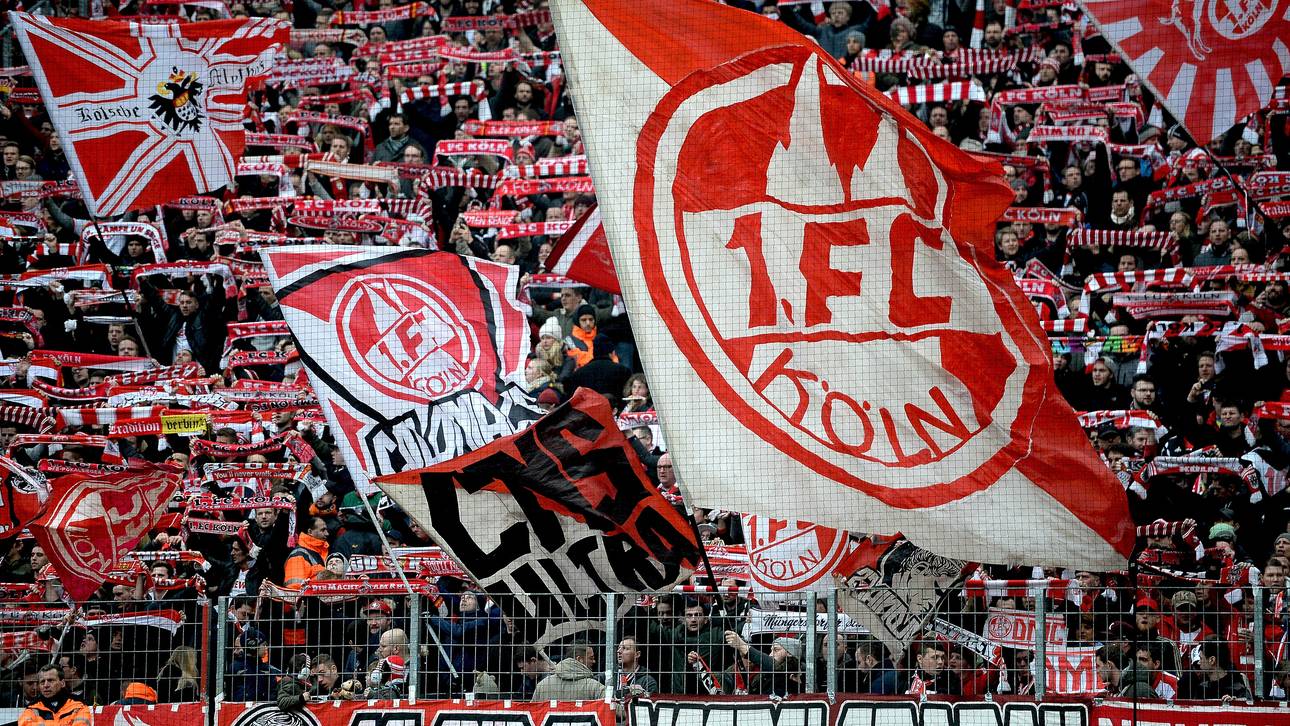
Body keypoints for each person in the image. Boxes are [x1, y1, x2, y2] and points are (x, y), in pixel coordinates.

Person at [18, 665, 90, 726]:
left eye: (50, 680)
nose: (46, 685)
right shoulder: (32, 709)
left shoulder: (79, 705)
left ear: (62, 683)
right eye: (42, 682)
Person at [531, 641, 603, 701]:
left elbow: (533, 713)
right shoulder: (594, 687)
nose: (594, 661)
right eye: (591, 658)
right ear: (579, 659)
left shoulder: (542, 685)